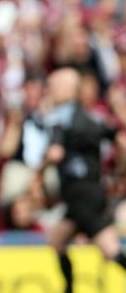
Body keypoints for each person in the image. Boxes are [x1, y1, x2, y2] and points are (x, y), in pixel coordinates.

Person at [41, 67, 126, 293]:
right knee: (57, 239)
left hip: (80, 195)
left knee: (109, 249)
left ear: (64, 89)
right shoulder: (93, 117)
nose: (49, 92)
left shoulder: (58, 117)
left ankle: (69, 288)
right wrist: (119, 170)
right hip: (91, 191)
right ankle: (69, 288)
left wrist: (40, 169)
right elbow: (119, 139)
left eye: (51, 87)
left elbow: (55, 153)